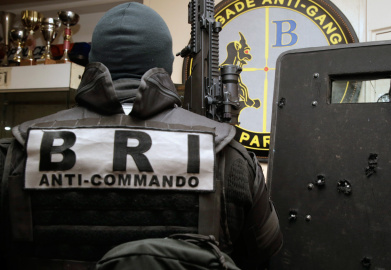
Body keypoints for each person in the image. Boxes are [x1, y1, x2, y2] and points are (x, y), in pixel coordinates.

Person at [0, 2, 282, 270]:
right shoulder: (228, 155)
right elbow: (262, 254)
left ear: (93, 61)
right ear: (166, 65)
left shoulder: (18, 151)